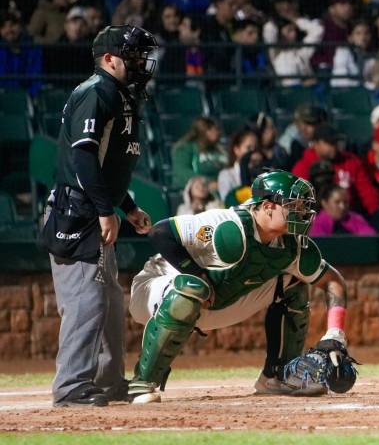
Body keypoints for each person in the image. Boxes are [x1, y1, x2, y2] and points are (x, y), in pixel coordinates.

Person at [127, 171, 355, 402]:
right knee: (193, 287)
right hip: (157, 288)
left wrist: (335, 334)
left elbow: (333, 282)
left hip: (218, 300)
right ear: (268, 207)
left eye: (303, 207)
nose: (302, 213)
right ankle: (142, 383)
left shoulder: (292, 245)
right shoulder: (229, 227)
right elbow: (160, 233)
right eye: (293, 205)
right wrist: (198, 273)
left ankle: (277, 376)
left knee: (294, 283)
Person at [39, 25, 158, 407]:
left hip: (95, 209)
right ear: (109, 59)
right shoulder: (96, 92)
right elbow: (84, 157)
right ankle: (71, 386)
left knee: (107, 299)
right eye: (133, 56)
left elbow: (110, 167)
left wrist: (128, 208)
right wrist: (107, 210)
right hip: (77, 213)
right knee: (85, 301)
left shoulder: (120, 94)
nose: (141, 62)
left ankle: (108, 383)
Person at [292, 124, 379, 215]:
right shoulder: (303, 166)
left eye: (335, 142)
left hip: (349, 216)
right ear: (316, 144)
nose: (334, 146)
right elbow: (298, 199)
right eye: (330, 143)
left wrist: (376, 213)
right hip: (316, 218)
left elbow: (367, 192)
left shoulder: (350, 162)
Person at [171, 117, 228, 191]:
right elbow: (182, 172)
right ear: (204, 131)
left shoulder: (221, 150)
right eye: (215, 129)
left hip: (221, 188)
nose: (218, 132)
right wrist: (208, 182)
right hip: (194, 192)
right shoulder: (185, 148)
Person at [0, 11, 43, 96]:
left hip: (27, 99)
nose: (9, 30)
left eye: (13, 24)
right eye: (3, 26)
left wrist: (29, 96)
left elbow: (36, 80)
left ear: (21, 26)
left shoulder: (34, 49)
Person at [310, 185, 376, 237]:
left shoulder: (356, 219)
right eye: (337, 202)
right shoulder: (315, 224)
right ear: (325, 203)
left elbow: (370, 239)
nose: (342, 207)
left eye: (345, 202)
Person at [278, 103, 329, 168]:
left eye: (310, 123)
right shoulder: (291, 143)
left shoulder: (326, 142)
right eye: (303, 123)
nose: (304, 128)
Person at [218, 128, 258, 202]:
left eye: (255, 149)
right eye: (248, 148)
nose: (252, 152)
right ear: (236, 150)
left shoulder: (260, 172)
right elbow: (226, 201)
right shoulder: (226, 175)